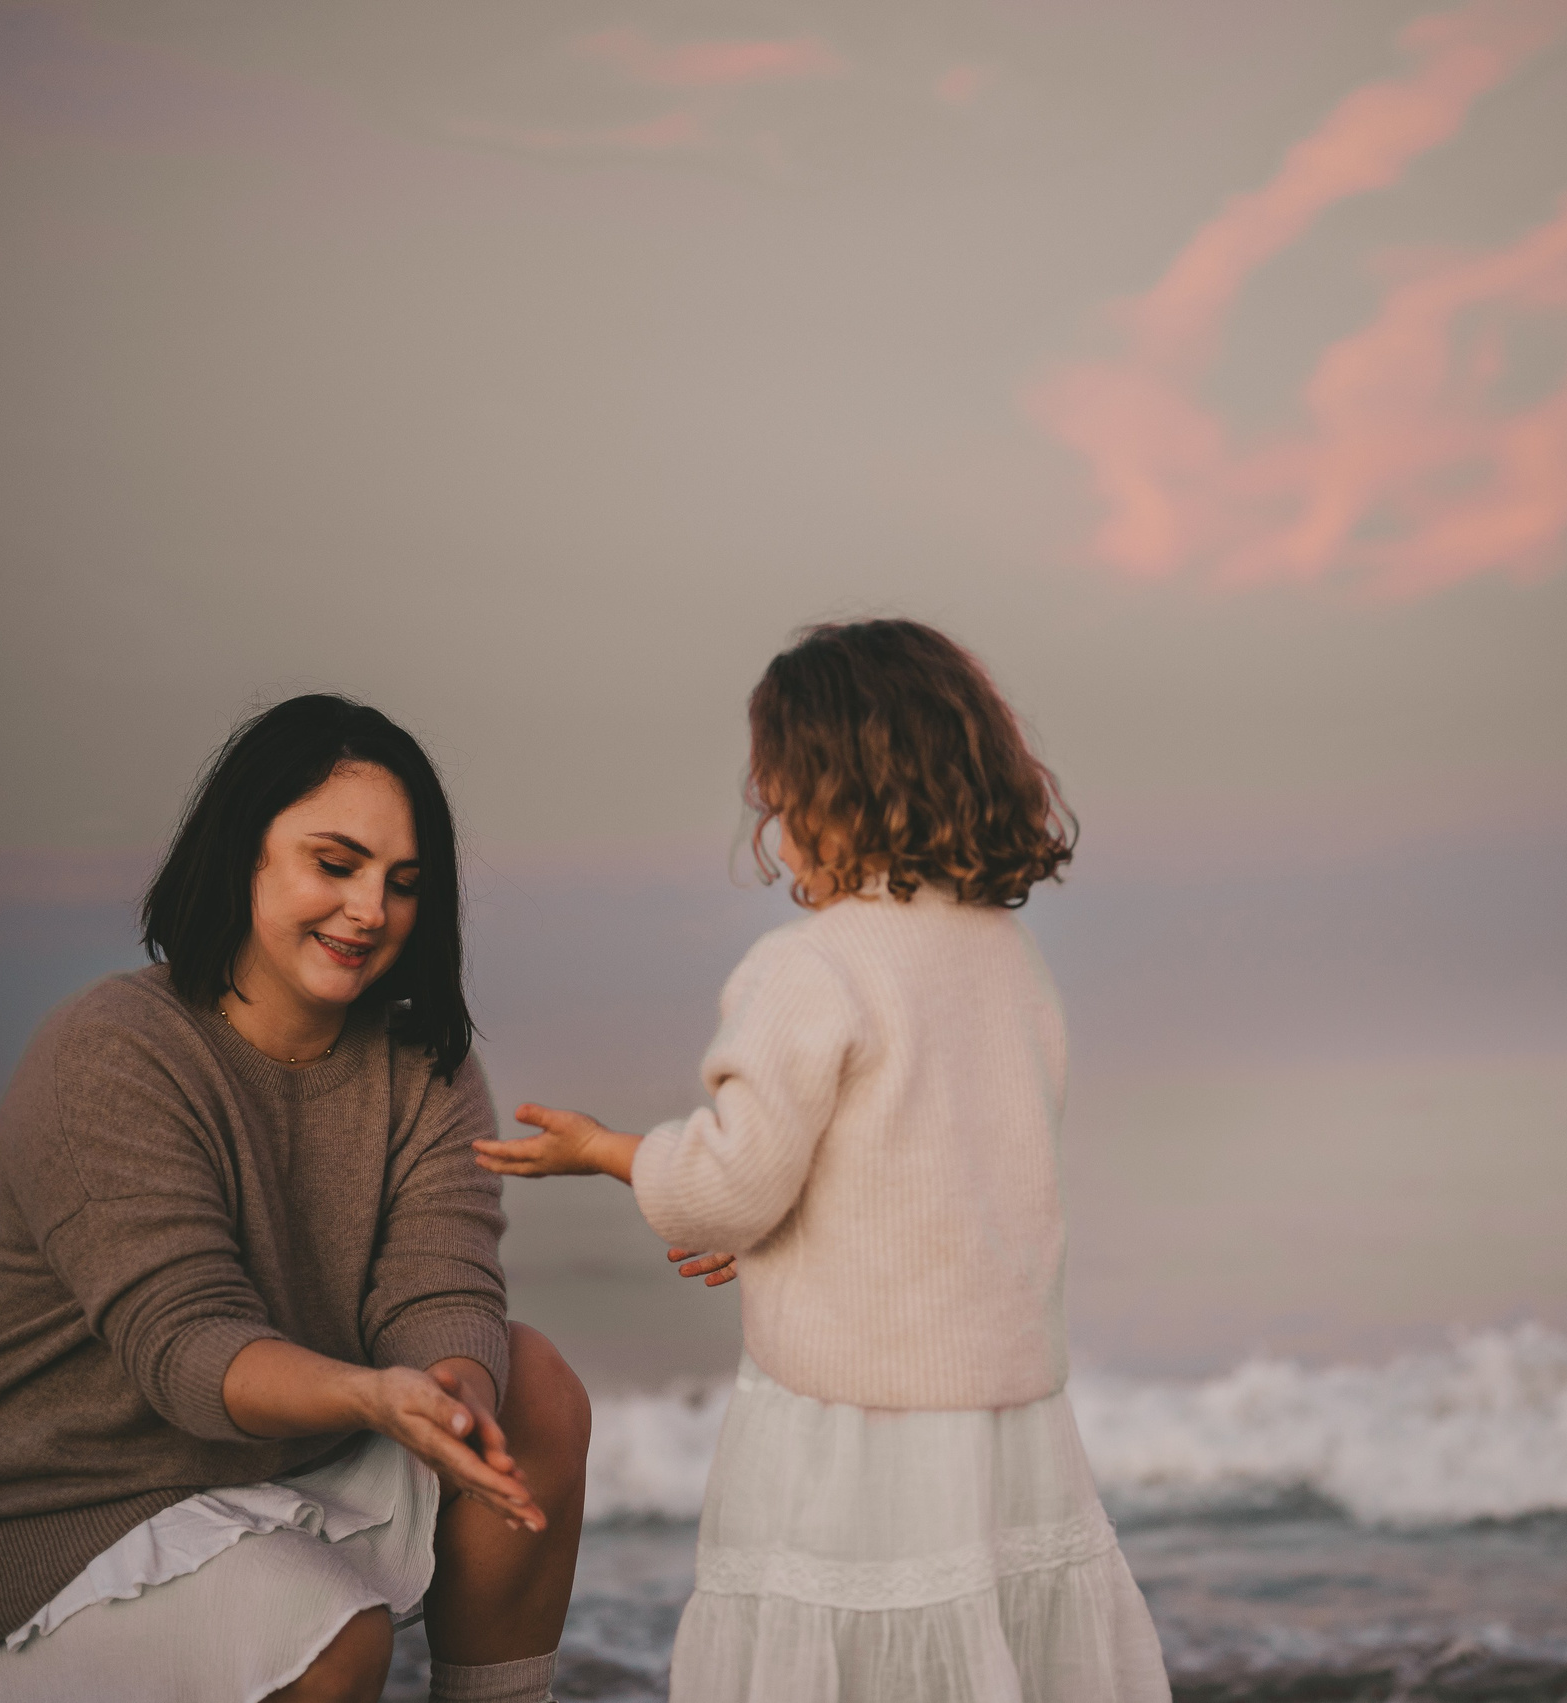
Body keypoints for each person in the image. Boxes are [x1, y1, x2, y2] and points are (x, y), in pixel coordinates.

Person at [475, 619, 1171, 1702]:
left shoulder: (813, 966)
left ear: (827, 794)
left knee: (845, 1655)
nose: (771, 822)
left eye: (777, 794)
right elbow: (941, 1184)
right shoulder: (1007, 958)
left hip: (853, 1430)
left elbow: (729, 1185)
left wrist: (606, 1150)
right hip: (1008, 1428)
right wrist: (797, 1249)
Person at [0, 694, 591, 1703]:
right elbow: (187, 1346)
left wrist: (449, 1388)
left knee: (531, 1388)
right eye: (335, 865)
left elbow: (438, 1285)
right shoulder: (112, 1050)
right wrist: (371, 1393)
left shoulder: (422, 1062)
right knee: (333, 1642)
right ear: (245, 853)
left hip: (267, 1471)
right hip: (42, 1522)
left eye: (403, 881)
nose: (371, 909)